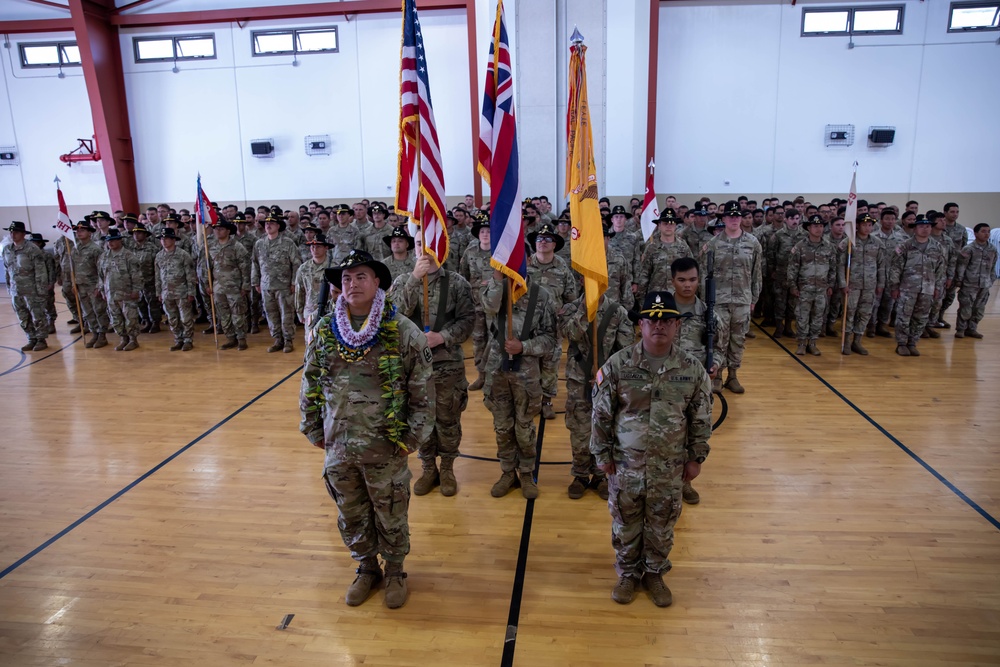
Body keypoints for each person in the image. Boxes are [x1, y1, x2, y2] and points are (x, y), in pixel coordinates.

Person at [299, 250, 434, 609]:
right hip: (339, 447)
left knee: (390, 512)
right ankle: (365, 568)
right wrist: (311, 425)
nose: (352, 284)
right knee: (351, 512)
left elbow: (423, 392)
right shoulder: (326, 330)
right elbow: (310, 380)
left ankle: (394, 571)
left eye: (361, 277)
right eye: (345, 279)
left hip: (386, 447)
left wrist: (411, 439)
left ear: (377, 283)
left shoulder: (402, 331)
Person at [591, 291, 712, 607]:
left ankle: (655, 574)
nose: (659, 327)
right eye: (652, 320)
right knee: (626, 522)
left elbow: (700, 417)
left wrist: (696, 457)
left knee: (661, 525)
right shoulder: (618, 366)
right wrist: (601, 456)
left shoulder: (692, 370)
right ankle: (629, 574)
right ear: (640, 325)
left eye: (667, 321)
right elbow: (601, 413)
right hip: (626, 467)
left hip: (669, 468)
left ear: (677, 326)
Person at [390, 239, 475, 496]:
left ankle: (447, 467)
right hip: (413, 366)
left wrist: (443, 336)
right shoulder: (403, 280)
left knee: (448, 417)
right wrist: (415, 279)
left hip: (447, 363)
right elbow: (393, 314)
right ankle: (428, 468)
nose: (423, 248)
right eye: (418, 243)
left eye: (429, 243)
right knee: (420, 418)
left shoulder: (458, 283)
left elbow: (468, 320)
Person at [482, 269, 556, 499]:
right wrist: (498, 279)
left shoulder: (541, 296)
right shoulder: (494, 290)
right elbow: (489, 306)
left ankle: (526, 472)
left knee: (524, 427)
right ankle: (507, 472)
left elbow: (551, 339)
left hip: (526, 373)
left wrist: (524, 347)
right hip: (497, 369)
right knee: (502, 427)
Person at [558, 290, 634, 500]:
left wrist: (606, 374)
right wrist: (585, 310)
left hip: (608, 381)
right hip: (578, 379)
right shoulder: (571, 309)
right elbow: (569, 333)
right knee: (579, 428)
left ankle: (601, 475)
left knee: (605, 427)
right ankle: (581, 474)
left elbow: (626, 351)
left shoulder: (617, 312)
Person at [669, 257, 722, 504]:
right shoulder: (662, 311)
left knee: (695, 435)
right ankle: (666, 481)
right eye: (681, 280)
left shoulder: (708, 314)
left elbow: (721, 348)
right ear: (672, 281)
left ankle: (685, 483)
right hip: (666, 385)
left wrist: (716, 364)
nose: (687, 285)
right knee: (666, 436)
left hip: (696, 387)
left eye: (692, 280)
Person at [700, 201, 762, 394]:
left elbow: (757, 273)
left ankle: (733, 376)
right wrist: (704, 302)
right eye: (730, 216)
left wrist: (754, 298)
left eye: (737, 216)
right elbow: (704, 275)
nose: (734, 219)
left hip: (742, 299)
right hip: (718, 300)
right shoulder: (713, 245)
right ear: (724, 219)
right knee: (719, 339)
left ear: (741, 218)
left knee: (738, 339)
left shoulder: (753, 243)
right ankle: (717, 376)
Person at [526, 222, 579, 420]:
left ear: (555, 244)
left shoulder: (562, 268)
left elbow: (571, 299)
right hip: (527, 325)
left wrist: (563, 314)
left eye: (548, 239)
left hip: (552, 327)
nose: (543, 242)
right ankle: (531, 400)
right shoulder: (525, 265)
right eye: (539, 239)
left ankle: (547, 401)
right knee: (528, 364)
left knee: (550, 365)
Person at [888, 217, 946, 356]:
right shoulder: (905, 246)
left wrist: (938, 287)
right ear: (915, 228)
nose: (925, 229)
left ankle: (913, 342)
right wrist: (894, 286)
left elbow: (940, 270)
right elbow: (895, 268)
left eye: (928, 227)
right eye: (921, 226)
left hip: (927, 289)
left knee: (921, 317)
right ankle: (901, 343)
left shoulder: (937, 247)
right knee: (903, 316)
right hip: (907, 288)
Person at [788, 215, 838, 356]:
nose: (818, 229)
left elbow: (833, 268)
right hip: (804, 289)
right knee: (802, 316)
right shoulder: (800, 247)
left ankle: (813, 343)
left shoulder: (829, 247)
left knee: (818, 317)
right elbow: (792, 268)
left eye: (821, 226)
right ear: (809, 228)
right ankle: (802, 343)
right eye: (815, 226)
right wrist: (793, 286)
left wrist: (830, 285)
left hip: (821, 289)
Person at [252, 215, 302, 353]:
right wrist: (255, 281)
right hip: (266, 286)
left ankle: (288, 340)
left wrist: (294, 282)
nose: (268, 225)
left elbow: (296, 263)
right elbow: (255, 264)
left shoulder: (287, 243)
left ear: (278, 226)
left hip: (283, 285)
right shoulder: (259, 244)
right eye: (266, 223)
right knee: (271, 314)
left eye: (272, 223)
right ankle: (277, 339)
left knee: (286, 314)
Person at [459, 213, 494, 391]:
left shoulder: (499, 252)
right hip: (476, 305)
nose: (485, 234)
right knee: (479, 340)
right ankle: (481, 375)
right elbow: (463, 276)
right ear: (478, 234)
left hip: (496, 307)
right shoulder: (470, 252)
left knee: (495, 340)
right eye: (482, 231)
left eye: (488, 231)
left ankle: (494, 376)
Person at [3, 221, 50, 351]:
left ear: (23, 234)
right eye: (11, 232)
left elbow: (40, 271)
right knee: (22, 316)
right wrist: (9, 288)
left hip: (32, 290)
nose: (13, 235)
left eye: (16, 232)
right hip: (15, 290)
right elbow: (7, 270)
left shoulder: (32, 249)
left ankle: (41, 339)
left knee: (37, 315)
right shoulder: (7, 250)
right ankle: (31, 338)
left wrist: (41, 290)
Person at [841, 215, 884, 356]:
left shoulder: (877, 243)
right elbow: (840, 266)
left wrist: (881, 283)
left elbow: (881, 265)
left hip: (870, 285)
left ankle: (857, 341)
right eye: (864, 224)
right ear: (857, 225)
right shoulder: (848, 243)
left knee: (865, 313)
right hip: (852, 284)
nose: (867, 227)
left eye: (870, 225)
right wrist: (842, 283)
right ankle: (846, 340)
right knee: (850, 312)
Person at [208, 219, 252, 350]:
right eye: (216, 229)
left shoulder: (236, 246)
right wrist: (207, 283)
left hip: (234, 287)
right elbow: (206, 267)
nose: (217, 231)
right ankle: (230, 337)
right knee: (223, 314)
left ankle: (241, 338)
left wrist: (245, 285)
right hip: (218, 287)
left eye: (221, 229)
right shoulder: (210, 246)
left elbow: (245, 267)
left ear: (228, 231)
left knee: (238, 313)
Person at [98, 229, 142, 351]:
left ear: (119, 240)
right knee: (116, 318)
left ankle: (133, 339)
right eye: (108, 241)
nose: (110, 243)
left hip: (126, 293)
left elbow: (136, 275)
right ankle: (123, 338)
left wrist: (135, 290)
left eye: (113, 240)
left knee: (130, 317)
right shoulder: (103, 256)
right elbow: (101, 276)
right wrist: (102, 290)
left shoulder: (128, 256)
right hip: (110, 293)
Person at [154, 227, 198, 351]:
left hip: (182, 291)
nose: (164, 241)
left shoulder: (183, 255)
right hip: (166, 293)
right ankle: (178, 339)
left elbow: (190, 275)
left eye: (166, 238)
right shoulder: (159, 256)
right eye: (162, 239)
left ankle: (188, 340)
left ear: (173, 240)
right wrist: (159, 292)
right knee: (172, 318)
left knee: (185, 318)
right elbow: (157, 276)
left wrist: (191, 292)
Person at [636, 211, 692, 305]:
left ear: (675, 226)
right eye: (665, 223)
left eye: (671, 223)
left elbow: (690, 272)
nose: (668, 226)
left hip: (678, 295)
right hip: (656, 296)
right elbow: (644, 275)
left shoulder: (683, 247)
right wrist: (642, 301)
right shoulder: (651, 247)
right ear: (659, 225)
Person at [954, 223, 997, 339]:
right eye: (983, 231)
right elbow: (961, 266)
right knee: (966, 307)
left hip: (984, 284)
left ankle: (972, 329)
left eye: (988, 231)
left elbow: (993, 267)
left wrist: (991, 280)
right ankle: (961, 329)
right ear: (976, 233)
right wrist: (959, 280)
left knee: (979, 308)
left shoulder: (992, 249)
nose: (986, 234)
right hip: (969, 284)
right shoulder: (968, 249)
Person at [294, 233, 337, 340]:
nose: (314, 249)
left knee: (330, 341)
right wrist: (299, 312)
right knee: (310, 341)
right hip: (310, 311)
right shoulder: (303, 268)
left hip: (330, 310)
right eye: (312, 246)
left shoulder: (334, 267)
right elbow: (300, 291)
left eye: (318, 246)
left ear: (326, 248)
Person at [27, 232, 58, 334]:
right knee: (36, 306)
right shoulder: (28, 255)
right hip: (33, 284)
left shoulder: (46, 255)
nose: (32, 244)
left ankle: (51, 322)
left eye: (34, 242)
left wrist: (51, 283)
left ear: (40, 243)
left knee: (48, 304)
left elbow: (51, 269)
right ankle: (41, 325)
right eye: (30, 242)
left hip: (45, 283)